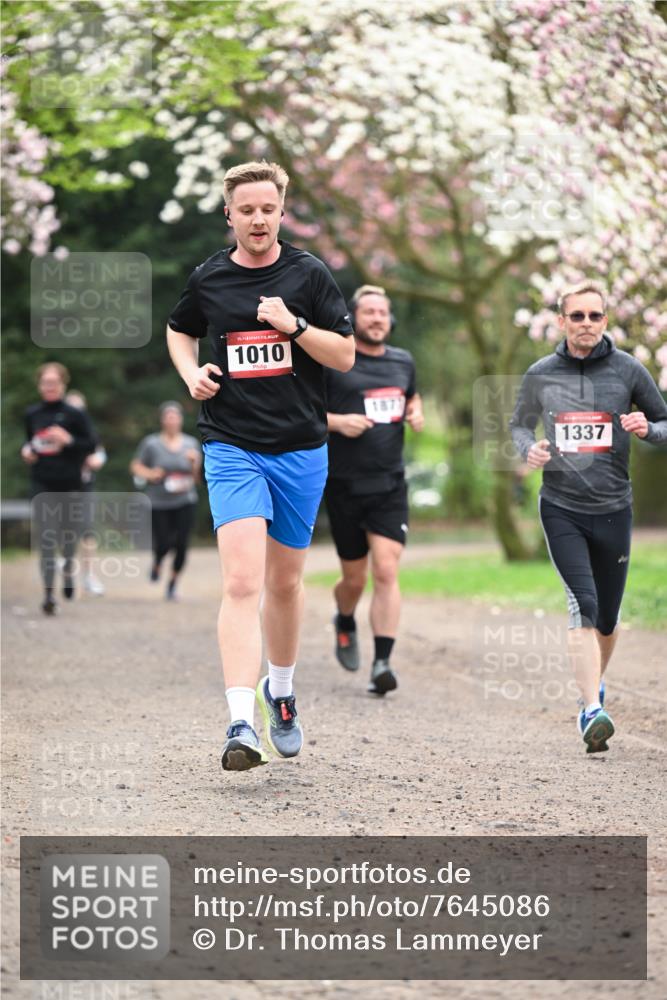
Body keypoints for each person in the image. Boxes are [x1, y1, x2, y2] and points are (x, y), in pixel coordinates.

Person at [165, 160, 354, 772]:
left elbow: (346, 356)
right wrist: (192, 373)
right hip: (231, 444)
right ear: (230, 214)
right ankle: (241, 720)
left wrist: (294, 325)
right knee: (243, 582)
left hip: (300, 448)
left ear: (280, 212)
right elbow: (177, 330)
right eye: (246, 209)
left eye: (267, 209)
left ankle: (282, 688)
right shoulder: (211, 279)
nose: (257, 219)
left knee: (284, 583)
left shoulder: (308, 275)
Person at [510, 280, 667, 753]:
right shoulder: (541, 373)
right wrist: (528, 448)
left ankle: (592, 684)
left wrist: (647, 429)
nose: (585, 325)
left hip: (614, 507)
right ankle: (590, 709)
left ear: (604, 320)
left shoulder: (628, 370)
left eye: (594, 316)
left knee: (609, 619)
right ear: (561, 321)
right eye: (576, 316)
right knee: (584, 605)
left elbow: (665, 421)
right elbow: (519, 423)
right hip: (561, 506)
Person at [324, 285, 424, 695]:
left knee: (386, 569)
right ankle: (344, 619)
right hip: (343, 485)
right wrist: (339, 422)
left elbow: (411, 398)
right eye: (369, 312)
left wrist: (416, 410)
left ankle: (382, 662)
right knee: (354, 579)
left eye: (383, 312)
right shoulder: (335, 362)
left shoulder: (403, 361)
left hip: (389, 484)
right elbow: (305, 412)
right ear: (353, 317)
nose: (377, 318)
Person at [21, 363, 96, 615]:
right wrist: (27, 451)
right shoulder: (32, 414)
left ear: (63, 384)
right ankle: (48, 594)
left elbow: (91, 445)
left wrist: (69, 440)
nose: (50, 387)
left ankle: (67, 575)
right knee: (45, 539)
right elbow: (29, 443)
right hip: (42, 485)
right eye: (45, 383)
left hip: (71, 485)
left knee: (67, 539)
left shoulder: (75, 414)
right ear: (39, 385)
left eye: (54, 383)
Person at [130, 401, 201, 601]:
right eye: (168, 417)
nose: (171, 420)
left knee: (182, 544)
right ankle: (157, 562)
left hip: (186, 500)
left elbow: (197, 479)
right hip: (159, 501)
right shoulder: (151, 443)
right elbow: (136, 466)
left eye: (175, 417)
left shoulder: (191, 444)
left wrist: (194, 464)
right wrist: (150, 473)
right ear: (162, 420)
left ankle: (172, 584)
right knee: (163, 542)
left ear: (180, 420)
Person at [65, 390, 107, 596]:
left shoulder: (88, 431)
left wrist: (97, 460)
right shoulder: (58, 431)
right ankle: (67, 572)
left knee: (87, 531)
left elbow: (99, 452)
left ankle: (89, 575)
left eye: (78, 407)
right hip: (62, 487)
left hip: (84, 487)